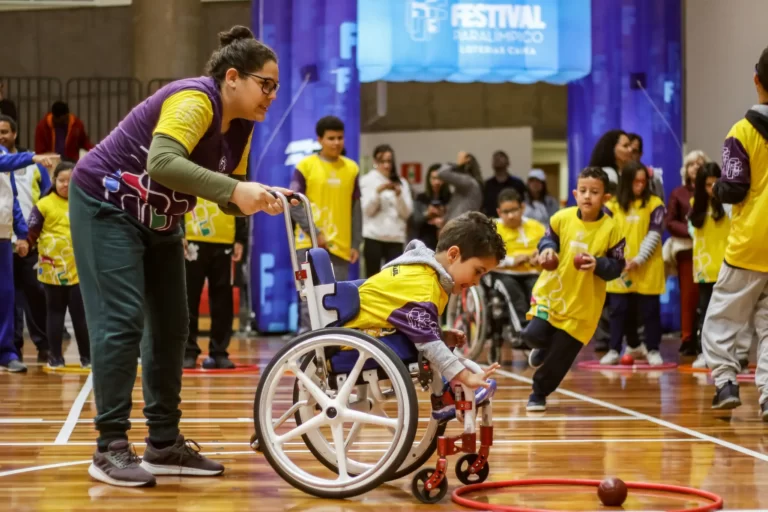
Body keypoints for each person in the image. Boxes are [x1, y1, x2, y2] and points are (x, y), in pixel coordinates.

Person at [68, 25, 295, 487]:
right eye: (265, 84)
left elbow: (223, 191)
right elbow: (163, 163)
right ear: (233, 77)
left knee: (173, 326)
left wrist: (258, 196)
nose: (271, 94)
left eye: (276, 87)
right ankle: (109, 447)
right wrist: (235, 189)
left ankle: (164, 444)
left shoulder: (244, 126)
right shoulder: (195, 101)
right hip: (105, 204)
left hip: (160, 217)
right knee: (122, 321)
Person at [342, 211, 506, 422]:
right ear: (453, 255)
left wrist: (440, 334)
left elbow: (408, 321)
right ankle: (448, 395)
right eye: (477, 271)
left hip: (373, 333)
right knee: (432, 346)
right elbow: (427, 341)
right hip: (356, 343)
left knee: (434, 343)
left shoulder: (422, 272)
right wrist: (465, 376)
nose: (476, 282)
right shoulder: (424, 285)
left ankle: (446, 396)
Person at [523, 167, 625, 412]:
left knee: (560, 357)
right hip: (553, 293)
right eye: (583, 191)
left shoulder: (613, 229)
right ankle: (541, 346)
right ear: (575, 193)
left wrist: (598, 264)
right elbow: (548, 239)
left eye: (594, 192)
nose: (588, 196)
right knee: (531, 335)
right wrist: (547, 249)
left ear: (606, 198)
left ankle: (538, 393)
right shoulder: (561, 217)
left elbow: (617, 266)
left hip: (583, 305)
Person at [703, 46, 768, 416]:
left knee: (723, 317)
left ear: (756, 79)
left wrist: (715, 187)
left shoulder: (741, 132)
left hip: (749, 244)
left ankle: (726, 381)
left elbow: (735, 187)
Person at [290, 116, 362, 333]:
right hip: (308, 245)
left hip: (340, 247)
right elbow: (294, 204)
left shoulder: (352, 168)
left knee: (335, 301)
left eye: (340, 138)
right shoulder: (305, 166)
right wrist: (315, 233)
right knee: (308, 297)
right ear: (319, 139)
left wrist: (356, 243)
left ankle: (331, 348)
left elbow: (356, 209)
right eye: (331, 138)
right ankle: (307, 344)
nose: (336, 142)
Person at [600, 162, 666, 367]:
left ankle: (653, 349)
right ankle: (614, 349)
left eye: (643, 181)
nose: (640, 185)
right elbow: (605, 235)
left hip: (647, 267)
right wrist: (619, 259)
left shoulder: (655, 204)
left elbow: (655, 233)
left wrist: (638, 259)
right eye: (635, 181)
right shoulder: (611, 206)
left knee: (649, 311)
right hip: (620, 268)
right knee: (618, 310)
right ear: (626, 182)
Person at [26, 162, 90, 368]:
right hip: (52, 270)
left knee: (80, 315)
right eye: (61, 180)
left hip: (78, 268)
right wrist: (26, 246)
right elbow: (31, 233)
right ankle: (55, 357)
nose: (65, 185)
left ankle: (87, 358)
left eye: (69, 181)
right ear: (54, 181)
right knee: (55, 313)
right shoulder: (43, 205)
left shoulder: (84, 202)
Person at [0, 148, 57, 373]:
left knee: (6, 295)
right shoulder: (8, 158)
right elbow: (4, 163)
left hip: (3, 234)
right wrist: (31, 157)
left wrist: (22, 234)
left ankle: (6, 352)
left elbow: (10, 195)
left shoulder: (3, 151)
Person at [183, 198, 247, 370]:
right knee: (188, 298)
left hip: (225, 239)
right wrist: (179, 232)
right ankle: (188, 352)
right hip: (192, 237)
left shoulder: (231, 169)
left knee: (223, 302)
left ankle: (219, 353)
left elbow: (240, 196)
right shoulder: (189, 169)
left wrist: (240, 238)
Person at [688, 163, 731, 369]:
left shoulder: (730, 205)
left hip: (728, 267)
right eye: (707, 184)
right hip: (705, 269)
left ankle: (727, 356)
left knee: (727, 314)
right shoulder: (694, 204)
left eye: (716, 183)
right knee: (705, 312)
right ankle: (704, 353)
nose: (712, 188)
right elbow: (692, 232)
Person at [667, 149, 710, 355]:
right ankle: (687, 338)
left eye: (700, 163)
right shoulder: (678, 193)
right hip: (687, 250)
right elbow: (670, 222)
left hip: (711, 249)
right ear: (686, 168)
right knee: (689, 297)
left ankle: (707, 340)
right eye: (692, 163)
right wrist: (692, 233)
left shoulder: (713, 191)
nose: (696, 167)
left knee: (709, 297)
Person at [494, 188, 545, 327]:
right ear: (499, 212)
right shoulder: (492, 228)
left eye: (514, 210)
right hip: (504, 273)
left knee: (539, 291)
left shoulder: (537, 227)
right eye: (506, 212)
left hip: (532, 272)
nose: (510, 216)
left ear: (522, 208)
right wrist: (512, 260)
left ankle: (539, 330)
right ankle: (521, 331)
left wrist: (540, 256)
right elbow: (485, 256)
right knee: (514, 293)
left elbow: (550, 248)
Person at [360, 144, 412, 277]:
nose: (386, 165)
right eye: (382, 161)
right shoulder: (367, 180)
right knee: (373, 279)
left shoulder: (401, 182)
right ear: (375, 162)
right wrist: (378, 193)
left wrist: (399, 195)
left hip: (395, 238)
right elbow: (366, 210)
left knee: (394, 279)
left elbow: (407, 213)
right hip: (373, 236)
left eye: (389, 161)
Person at [408, 163, 451, 250]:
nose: (437, 182)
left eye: (440, 178)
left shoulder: (451, 198)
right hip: (424, 243)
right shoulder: (421, 198)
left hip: (446, 243)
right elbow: (415, 220)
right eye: (434, 178)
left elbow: (457, 220)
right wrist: (427, 214)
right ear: (429, 179)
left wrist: (444, 216)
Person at [436, 151, 483, 222]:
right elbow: (454, 206)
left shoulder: (468, 181)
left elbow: (441, 173)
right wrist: (443, 220)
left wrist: (457, 164)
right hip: (461, 226)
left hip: (461, 227)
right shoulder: (470, 184)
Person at [481, 150, 527, 218]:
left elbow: (524, 203)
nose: (497, 159)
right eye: (495, 158)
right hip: (491, 222)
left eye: (501, 156)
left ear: (508, 162)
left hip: (512, 220)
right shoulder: (486, 185)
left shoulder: (518, 183)